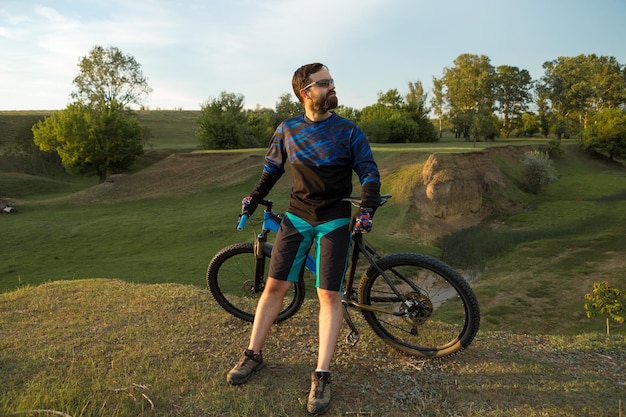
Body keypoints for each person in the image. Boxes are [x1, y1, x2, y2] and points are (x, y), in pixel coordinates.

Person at [226, 63, 381, 415]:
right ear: (306, 92)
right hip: (296, 217)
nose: (332, 87)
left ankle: (322, 373)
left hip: (334, 219)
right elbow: (271, 170)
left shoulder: (347, 130)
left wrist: (367, 208)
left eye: (332, 81)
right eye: (325, 83)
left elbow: (369, 171)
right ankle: (253, 354)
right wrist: (252, 199)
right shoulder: (288, 130)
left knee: (328, 293)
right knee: (274, 287)